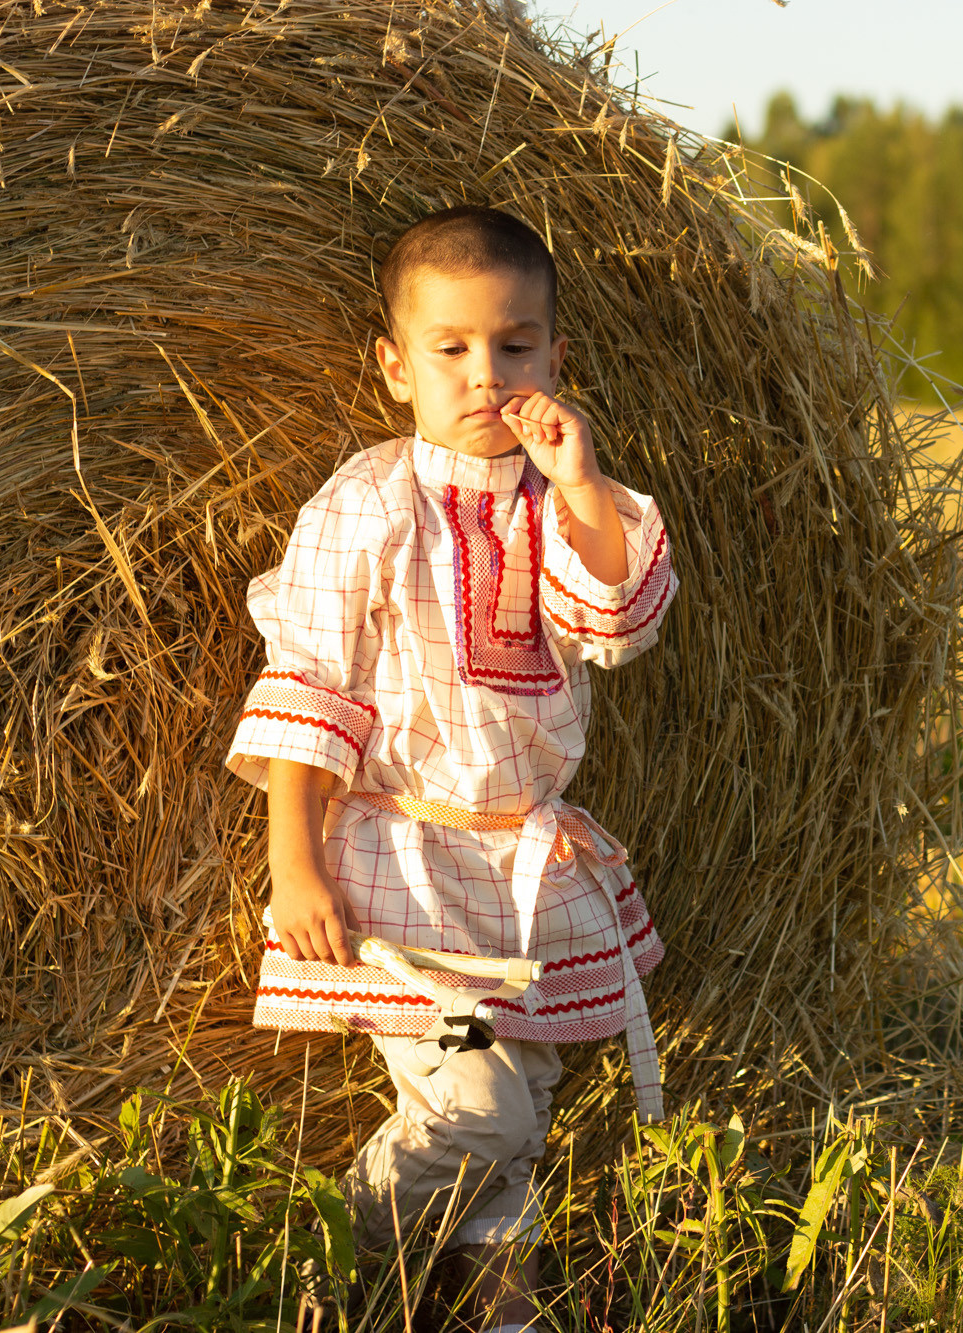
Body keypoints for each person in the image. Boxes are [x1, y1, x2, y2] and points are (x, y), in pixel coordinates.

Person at [224, 205, 677, 1333]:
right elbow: (310, 687)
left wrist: (577, 482)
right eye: (453, 348)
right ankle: (314, 1259)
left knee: (516, 1118)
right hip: (401, 872)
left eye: (515, 346)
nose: (488, 374)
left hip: (523, 865)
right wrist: (296, 866)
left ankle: (502, 1317)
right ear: (395, 366)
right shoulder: (366, 504)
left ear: (555, 357)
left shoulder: (562, 511)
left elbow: (615, 621)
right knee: (481, 1112)